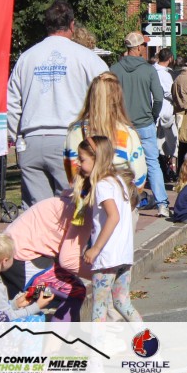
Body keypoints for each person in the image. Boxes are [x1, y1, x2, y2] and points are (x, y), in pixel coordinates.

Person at [7, 0, 108, 206]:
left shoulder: (27, 58)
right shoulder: (87, 58)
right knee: (72, 207)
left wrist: (13, 136)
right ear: (72, 24)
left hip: (31, 139)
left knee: (37, 212)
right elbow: (107, 96)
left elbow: (12, 103)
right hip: (70, 139)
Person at [75, 135, 142, 323]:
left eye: (82, 159)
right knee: (122, 302)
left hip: (107, 257)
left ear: (96, 159)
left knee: (99, 307)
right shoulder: (117, 181)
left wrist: (95, 248)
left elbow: (114, 216)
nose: (78, 163)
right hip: (123, 254)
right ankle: (146, 338)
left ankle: (98, 342)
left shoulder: (102, 185)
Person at [63, 72, 148, 210]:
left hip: (86, 204)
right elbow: (139, 177)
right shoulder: (128, 133)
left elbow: (71, 173)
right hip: (120, 204)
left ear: (91, 96)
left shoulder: (75, 131)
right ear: (118, 98)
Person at [2, 190, 90, 322]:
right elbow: (68, 261)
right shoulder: (82, 213)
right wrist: (99, 276)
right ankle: (57, 335)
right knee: (76, 291)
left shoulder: (66, 201)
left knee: (50, 293)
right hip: (23, 259)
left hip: (12, 251)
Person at [110, 32, 167, 217]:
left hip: (121, 124)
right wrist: (153, 115)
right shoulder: (148, 70)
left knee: (121, 164)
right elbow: (158, 98)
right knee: (152, 163)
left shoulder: (114, 70)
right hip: (144, 123)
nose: (145, 48)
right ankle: (162, 204)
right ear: (138, 48)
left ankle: (123, 202)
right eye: (143, 45)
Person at [0, 234, 53, 321]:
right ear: (5, 261)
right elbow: (5, 317)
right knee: (41, 318)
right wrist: (36, 306)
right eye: (12, 257)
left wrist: (15, 304)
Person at [154, 49, 178, 184]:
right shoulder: (165, 74)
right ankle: (167, 170)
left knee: (157, 143)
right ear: (170, 58)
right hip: (165, 112)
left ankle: (164, 170)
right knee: (170, 144)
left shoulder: (152, 70)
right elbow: (169, 93)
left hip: (154, 112)